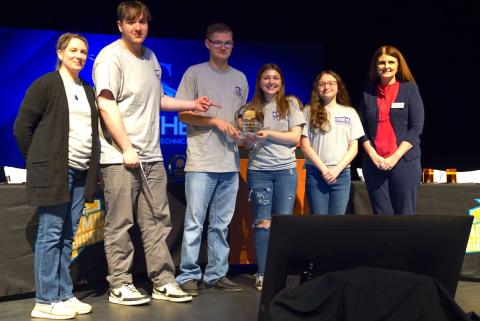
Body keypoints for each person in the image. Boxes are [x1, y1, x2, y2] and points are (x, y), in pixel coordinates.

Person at [92, 1, 211, 305]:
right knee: (120, 223)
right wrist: (127, 148)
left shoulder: (150, 57)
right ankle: (119, 284)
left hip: (152, 156)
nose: (138, 27)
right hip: (121, 157)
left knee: (158, 220)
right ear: (120, 25)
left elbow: (158, 99)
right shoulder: (110, 58)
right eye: (132, 22)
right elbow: (106, 105)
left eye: (143, 22)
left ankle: (163, 281)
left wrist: (190, 104)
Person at [14, 33, 98, 319]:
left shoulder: (87, 89)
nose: (79, 55)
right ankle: (45, 300)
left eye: (84, 51)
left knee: (66, 236)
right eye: (73, 50)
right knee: (50, 235)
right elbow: (21, 128)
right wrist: (40, 162)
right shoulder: (47, 84)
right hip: (54, 173)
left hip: (81, 171)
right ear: (60, 53)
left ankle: (64, 294)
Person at [175, 22, 248, 295]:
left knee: (221, 224)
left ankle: (217, 274)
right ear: (207, 43)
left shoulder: (240, 78)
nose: (223, 47)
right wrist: (215, 120)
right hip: (202, 161)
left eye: (227, 43)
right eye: (217, 42)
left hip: (229, 161)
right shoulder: (194, 73)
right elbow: (183, 114)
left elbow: (239, 117)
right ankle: (188, 275)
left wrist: (244, 133)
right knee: (195, 222)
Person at [243, 63, 305, 291]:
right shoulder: (250, 108)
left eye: (275, 78)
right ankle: (262, 273)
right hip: (259, 170)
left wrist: (268, 133)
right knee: (262, 223)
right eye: (266, 78)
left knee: (283, 223)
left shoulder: (291, 104)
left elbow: (296, 138)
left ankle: (280, 273)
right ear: (259, 82)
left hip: (285, 171)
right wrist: (247, 139)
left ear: (281, 82)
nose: (271, 81)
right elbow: (246, 141)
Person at [359, 45, 424, 215]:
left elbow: (416, 128)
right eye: (381, 62)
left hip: (404, 161)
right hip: (375, 163)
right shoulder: (368, 92)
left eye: (391, 62)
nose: (386, 66)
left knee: (405, 214)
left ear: (398, 65)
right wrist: (374, 156)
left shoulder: (410, 89)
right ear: (375, 66)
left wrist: (394, 157)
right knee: (382, 216)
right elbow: (361, 129)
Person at [301, 70, 364, 215]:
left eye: (331, 83)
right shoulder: (308, 110)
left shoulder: (350, 112)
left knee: (337, 222)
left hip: (341, 174)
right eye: (322, 84)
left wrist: (336, 170)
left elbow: (354, 148)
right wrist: (324, 170)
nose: (326, 87)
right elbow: (305, 145)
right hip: (316, 173)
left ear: (338, 86)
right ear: (317, 88)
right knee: (319, 220)